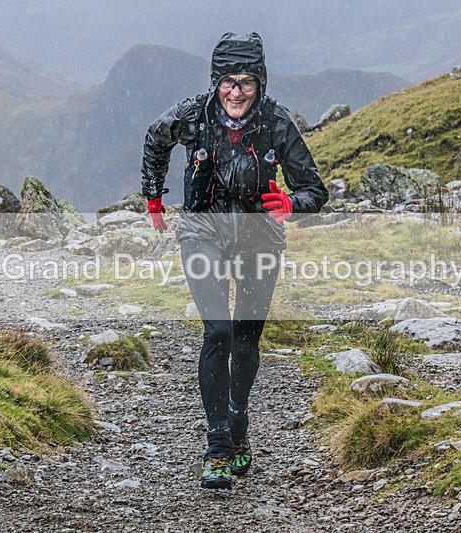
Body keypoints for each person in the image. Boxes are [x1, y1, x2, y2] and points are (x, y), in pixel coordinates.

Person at [141, 32, 328, 489]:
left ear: (260, 82)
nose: (236, 91)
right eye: (228, 81)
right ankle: (218, 444)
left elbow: (314, 190)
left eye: (246, 81)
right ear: (216, 82)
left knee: (245, 338)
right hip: (201, 230)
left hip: (259, 235)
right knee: (218, 331)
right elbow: (154, 138)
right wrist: (154, 197)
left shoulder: (277, 123)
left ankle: (238, 419)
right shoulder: (192, 115)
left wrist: (290, 203)